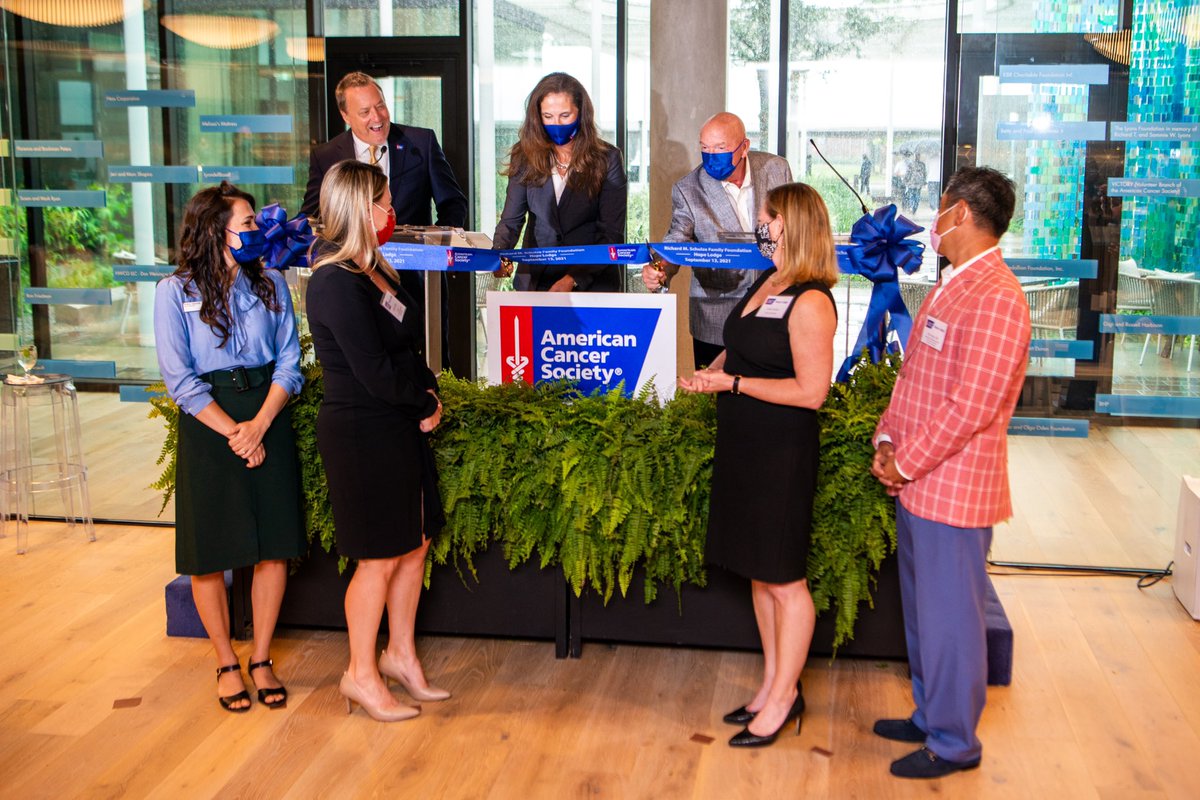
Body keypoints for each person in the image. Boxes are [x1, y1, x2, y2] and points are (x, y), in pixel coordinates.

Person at [870, 166, 1029, 779]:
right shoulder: (953, 284)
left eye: (938, 208)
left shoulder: (996, 296)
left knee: (952, 621)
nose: (932, 220)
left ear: (960, 213)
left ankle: (955, 743)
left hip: (952, 488)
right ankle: (929, 713)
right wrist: (888, 437)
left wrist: (905, 461)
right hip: (918, 480)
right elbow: (916, 378)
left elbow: (973, 405)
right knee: (922, 613)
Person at [679, 182, 838, 748]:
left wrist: (735, 382)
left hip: (781, 451)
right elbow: (740, 346)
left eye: (769, 220)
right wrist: (712, 372)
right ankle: (773, 685)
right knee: (758, 573)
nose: (760, 227)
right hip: (743, 443)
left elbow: (811, 391)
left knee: (784, 579)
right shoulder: (769, 282)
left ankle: (786, 696)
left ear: (793, 225)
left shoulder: (812, 300)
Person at [304, 159, 449, 723]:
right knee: (377, 559)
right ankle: (359, 675)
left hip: (399, 426)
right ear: (361, 209)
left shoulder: (378, 271)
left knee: (415, 544)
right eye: (385, 202)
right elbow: (371, 371)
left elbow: (407, 350)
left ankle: (400, 656)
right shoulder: (334, 282)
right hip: (364, 432)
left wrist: (429, 391)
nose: (393, 211)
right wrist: (425, 405)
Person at [153, 181, 305, 713]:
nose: (257, 232)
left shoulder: (273, 284)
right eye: (247, 225)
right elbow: (181, 380)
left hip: (268, 408)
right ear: (216, 232)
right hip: (209, 420)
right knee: (209, 551)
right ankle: (224, 660)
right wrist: (235, 434)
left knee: (273, 546)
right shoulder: (173, 291)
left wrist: (260, 424)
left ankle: (260, 658)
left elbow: (290, 362)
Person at [302, 71, 468, 361]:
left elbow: (453, 203)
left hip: (417, 279)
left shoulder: (421, 142)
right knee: (368, 354)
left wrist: (439, 248)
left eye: (380, 106)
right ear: (345, 114)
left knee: (429, 355)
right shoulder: (326, 155)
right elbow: (312, 214)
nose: (377, 117)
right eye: (365, 111)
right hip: (354, 277)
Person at [641, 112, 792, 368]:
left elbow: (795, 225)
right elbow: (677, 240)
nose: (711, 156)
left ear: (744, 147)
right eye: (704, 148)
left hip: (774, 305)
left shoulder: (776, 169)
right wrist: (659, 268)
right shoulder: (688, 189)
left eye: (720, 148)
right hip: (715, 314)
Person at [492, 72, 627, 292]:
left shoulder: (608, 158)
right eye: (548, 116)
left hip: (590, 282)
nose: (556, 123)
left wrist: (573, 279)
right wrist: (499, 255)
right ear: (537, 117)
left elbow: (611, 233)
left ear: (581, 114)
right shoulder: (523, 156)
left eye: (565, 115)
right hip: (536, 279)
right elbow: (511, 221)